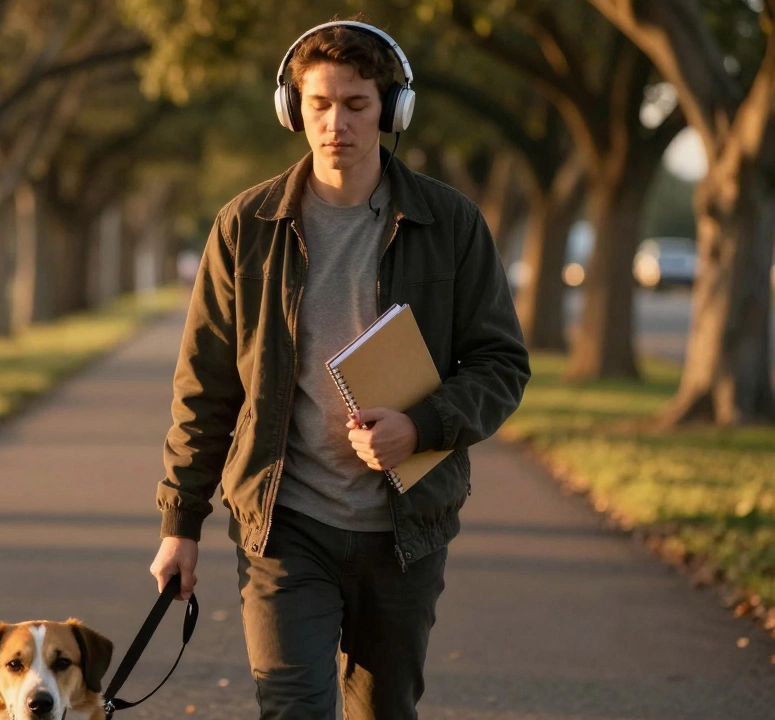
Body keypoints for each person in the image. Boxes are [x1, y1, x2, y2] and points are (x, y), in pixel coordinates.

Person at [148, 18, 531, 720]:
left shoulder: (451, 224)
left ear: (390, 109)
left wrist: (419, 427)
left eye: (356, 104)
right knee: (292, 706)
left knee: (383, 711)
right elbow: (205, 389)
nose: (336, 123)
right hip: (283, 524)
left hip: (404, 530)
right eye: (319, 104)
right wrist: (181, 523)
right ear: (293, 109)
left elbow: (501, 364)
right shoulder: (245, 226)